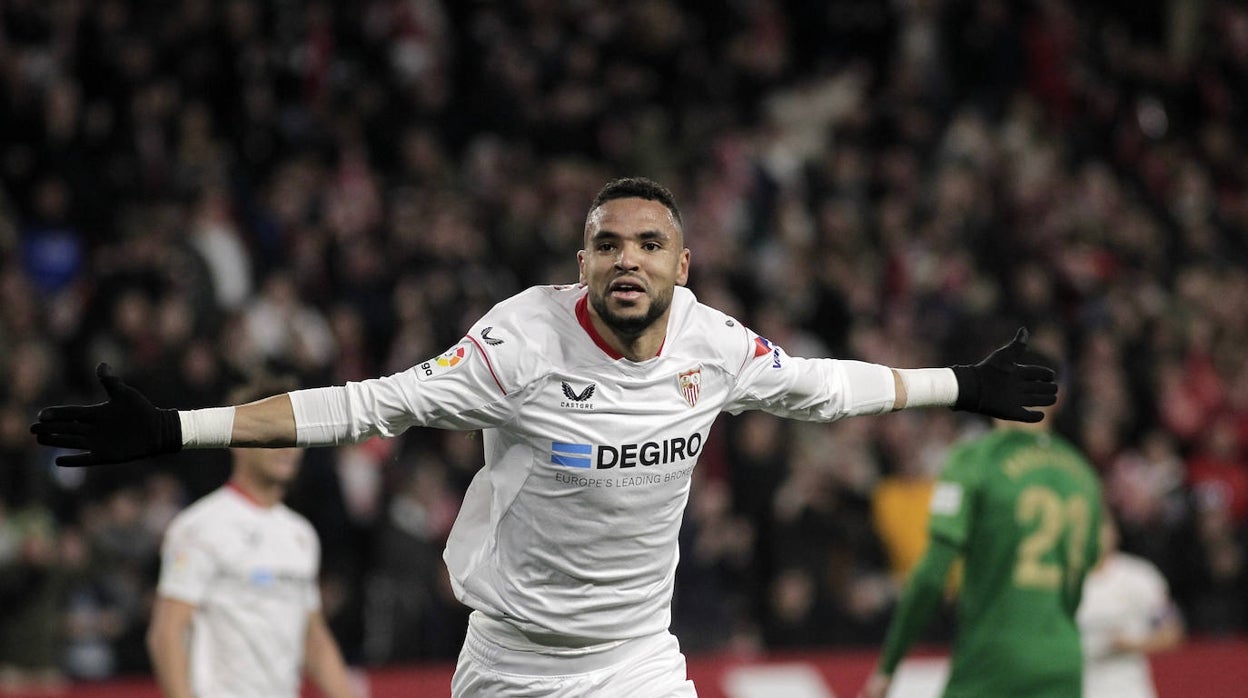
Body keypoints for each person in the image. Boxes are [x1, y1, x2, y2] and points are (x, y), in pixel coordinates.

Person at [34, 177, 1057, 697]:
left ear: (681, 264)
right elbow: (367, 403)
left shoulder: (714, 344)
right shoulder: (519, 340)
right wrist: (178, 427)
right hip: (511, 659)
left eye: (649, 244)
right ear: (584, 257)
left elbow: (825, 388)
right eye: (609, 241)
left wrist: (960, 383)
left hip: (636, 657)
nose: (628, 258)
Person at [859, 371, 1102, 698]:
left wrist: (889, 664)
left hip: (994, 656)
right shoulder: (1083, 474)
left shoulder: (974, 460)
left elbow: (932, 575)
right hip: (1063, 658)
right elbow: (1077, 581)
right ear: (1056, 399)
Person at [145, 379, 359, 698]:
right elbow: (167, 633)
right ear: (238, 438)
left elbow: (313, 638)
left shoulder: (301, 534)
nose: (288, 446)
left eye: (293, 434)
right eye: (274, 434)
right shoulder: (199, 527)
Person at [1077, 512, 1184, 698]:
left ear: (1114, 533)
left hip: (1129, 690)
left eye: (1101, 527)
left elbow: (1172, 633)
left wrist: (1131, 645)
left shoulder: (1140, 577)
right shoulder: (1064, 580)